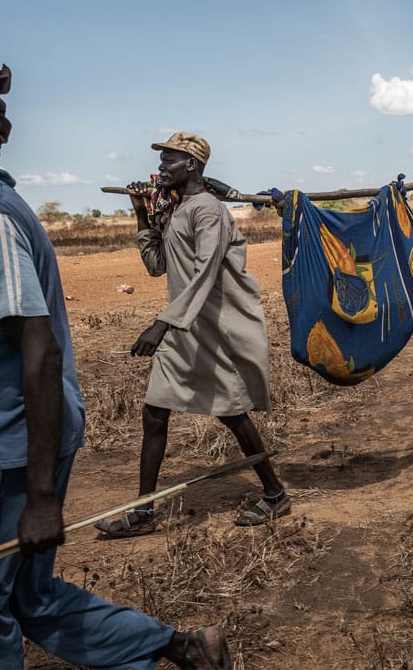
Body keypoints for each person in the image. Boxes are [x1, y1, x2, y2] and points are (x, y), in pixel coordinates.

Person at [0, 62, 232, 669]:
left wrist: (42, 495)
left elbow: (41, 352)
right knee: (29, 595)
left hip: (6, 447)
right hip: (7, 439)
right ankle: (181, 647)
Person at [93, 131, 290, 537]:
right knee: (154, 412)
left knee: (231, 413)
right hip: (184, 327)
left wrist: (161, 323)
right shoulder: (178, 210)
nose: (161, 167)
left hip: (213, 327)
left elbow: (205, 274)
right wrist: (142, 214)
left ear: (192, 165)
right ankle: (143, 512)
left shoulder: (209, 211)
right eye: (162, 160)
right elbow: (157, 266)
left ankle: (275, 494)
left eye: (169, 160)